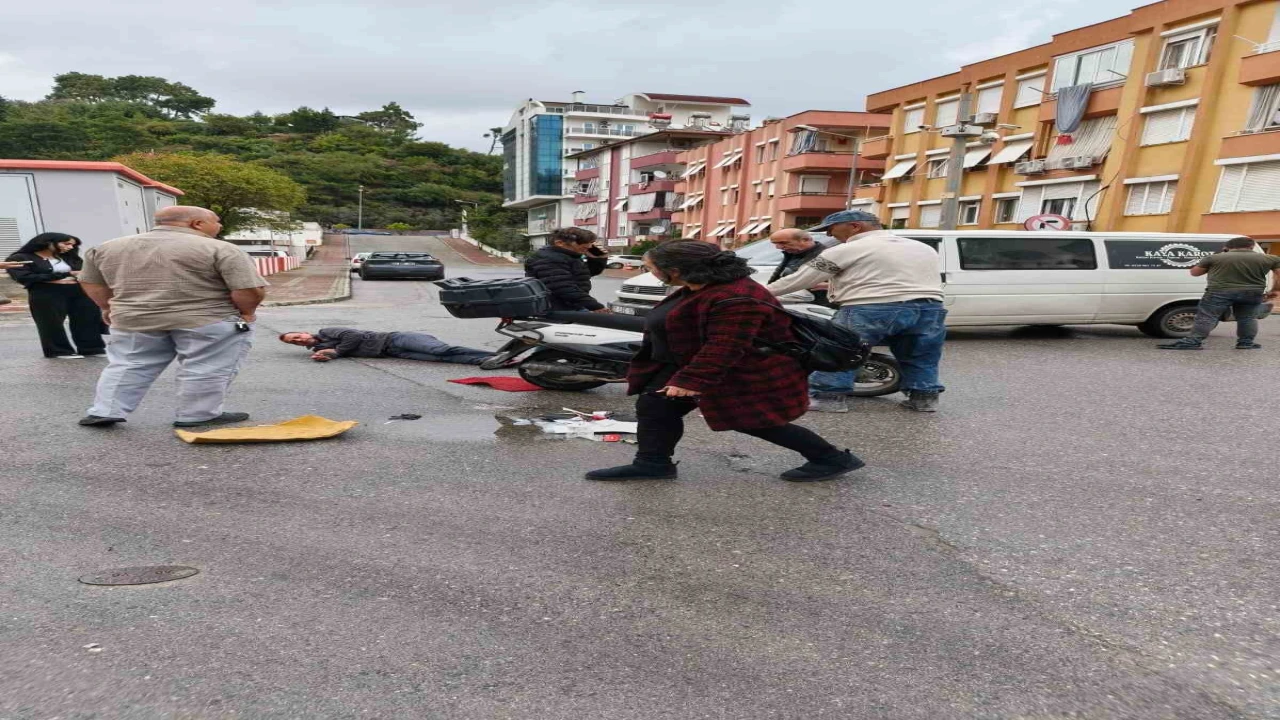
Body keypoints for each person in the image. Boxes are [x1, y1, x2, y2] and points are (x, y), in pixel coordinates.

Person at [585, 241, 863, 483]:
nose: (651, 273)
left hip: (744, 370)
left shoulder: (736, 297)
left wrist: (691, 381)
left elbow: (726, 345)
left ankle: (831, 458)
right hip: (689, 362)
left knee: (753, 421)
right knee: (656, 407)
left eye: (652, 268)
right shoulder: (701, 285)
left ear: (676, 270)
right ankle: (652, 464)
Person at [76, 206, 267, 428]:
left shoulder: (106, 248)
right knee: (207, 366)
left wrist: (107, 306)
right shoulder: (221, 249)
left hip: (133, 318)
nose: (220, 225)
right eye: (216, 221)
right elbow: (247, 289)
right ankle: (197, 414)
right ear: (197, 223)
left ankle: (105, 410)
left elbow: (90, 281)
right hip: (206, 318)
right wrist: (247, 313)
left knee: (129, 364)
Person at [766, 210, 946, 414]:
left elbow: (800, 279)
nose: (829, 235)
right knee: (922, 354)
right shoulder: (922, 248)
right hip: (929, 308)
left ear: (855, 226)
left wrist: (756, 292)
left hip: (871, 307)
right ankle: (924, 399)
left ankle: (828, 398)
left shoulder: (847, 249)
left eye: (831, 229)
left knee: (840, 350)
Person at [1159, 237, 1280, 350]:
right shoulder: (1271, 258)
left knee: (1207, 316)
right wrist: (1274, 290)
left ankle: (1193, 342)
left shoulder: (1214, 258)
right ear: (1252, 246)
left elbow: (1195, 273)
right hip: (1252, 292)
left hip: (1219, 291)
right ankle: (1246, 343)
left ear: (1227, 247)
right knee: (1247, 318)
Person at [4, 232, 107, 359]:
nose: (70, 247)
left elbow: (83, 271)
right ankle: (59, 351)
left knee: (87, 318)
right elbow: (24, 277)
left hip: (78, 290)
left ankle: (92, 348)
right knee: (51, 322)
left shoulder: (69, 257)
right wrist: (64, 275)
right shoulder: (21, 258)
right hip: (47, 293)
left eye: (72, 245)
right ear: (48, 243)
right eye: (66, 244)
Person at [279, 328, 500, 366]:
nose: (299, 340)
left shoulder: (327, 331)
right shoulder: (318, 349)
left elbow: (353, 336)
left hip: (396, 339)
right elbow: (337, 353)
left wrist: (337, 351)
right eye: (294, 342)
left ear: (304, 332)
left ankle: (499, 354)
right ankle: (486, 361)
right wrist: (327, 356)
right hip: (393, 352)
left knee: (439, 350)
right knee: (441, 359)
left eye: (297, 336)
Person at [524, 227, 609, 312]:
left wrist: (597, 259)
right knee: (607, 319)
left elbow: (582, 275)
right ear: (560, 243)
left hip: (570, 305)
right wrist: (595, 306)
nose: (589, 247)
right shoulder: (549, 259)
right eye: (583, 246)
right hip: (556, 308)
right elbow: (563, 288)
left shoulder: (570, 255)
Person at [767, 228, 831, 306]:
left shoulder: (827, 255)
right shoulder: (792, 254)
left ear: (805, 240)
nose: (778, 247)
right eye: (775, 243)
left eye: (783, 243)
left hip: (819, 306)